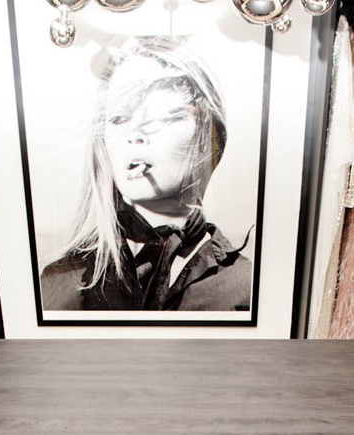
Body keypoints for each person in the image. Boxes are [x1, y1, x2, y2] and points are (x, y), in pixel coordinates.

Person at [40, 36, 253, 312]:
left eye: (165, 116)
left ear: (206, 133)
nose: (135, 135)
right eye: (119, 118)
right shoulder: (61, 283)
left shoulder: (246, 288)